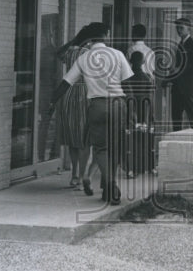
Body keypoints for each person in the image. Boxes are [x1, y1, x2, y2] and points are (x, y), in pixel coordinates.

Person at [51, 22, 132, 205]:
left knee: (101, 149)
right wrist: (133, 111)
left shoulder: (84, 58)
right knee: (115, 146)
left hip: (97, 106)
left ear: (90, 39)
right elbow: (128, 84)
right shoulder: (118, 54)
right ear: (106, 35)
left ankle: (108, 186)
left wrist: (52, 101)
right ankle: (110, 185)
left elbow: (66, 83)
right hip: (118, 104)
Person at [54, 35, 93, 191]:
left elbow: (58, 53)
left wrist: (72, 41)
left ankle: (74, 174)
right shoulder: (88, 52)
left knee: (72, 136)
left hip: (69, 92)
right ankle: (82, 174)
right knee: (84, 137)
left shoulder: (69, 53)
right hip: (85, 92)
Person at [164, 17, 193, 131]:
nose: (179, 30)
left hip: (188, 87)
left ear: (188, 29)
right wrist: (171, 74)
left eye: (181, 28)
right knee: (176, 118)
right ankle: (177, 141)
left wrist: (178, 69)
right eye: (177, 28)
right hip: (178, 87)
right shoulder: (181, 44)